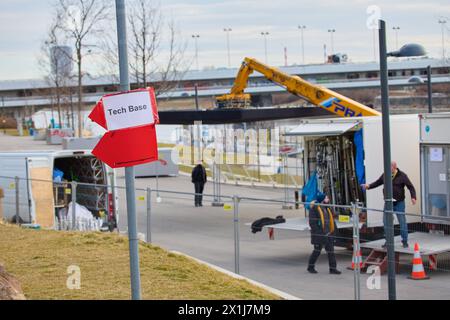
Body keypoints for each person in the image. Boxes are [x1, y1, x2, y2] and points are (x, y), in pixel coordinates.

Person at [361, 161, 416, 248]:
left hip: (399, 202)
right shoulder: (385, 175)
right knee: (386, 222)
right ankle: (388, 241)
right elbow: (377, 182)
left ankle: (404, 241)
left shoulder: (402, 176)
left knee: (402, 222)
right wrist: (368, 186)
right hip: (388, 202)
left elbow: (410, 187)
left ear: (394, 167)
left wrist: (413, 197)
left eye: (389, 168)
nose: (387, 169)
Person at [307, 192, 341, 275]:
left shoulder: (327, 208)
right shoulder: (314, 209)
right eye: (326, 198)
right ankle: (310, 267)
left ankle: (333, 269)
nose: (328, 199)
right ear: (322, 200)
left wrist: (333, 231)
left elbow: (331, 220)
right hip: (319, 235)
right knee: (317, 251)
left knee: (331, 251)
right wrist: (320, 233)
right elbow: (313, 223)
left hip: (328, 233)